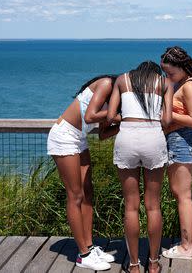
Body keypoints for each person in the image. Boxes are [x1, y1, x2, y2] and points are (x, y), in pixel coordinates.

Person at [47, 75, 119, 271]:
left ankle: (88, 246)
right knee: (75, 195)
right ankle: (83, 255)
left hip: (79, 138)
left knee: (88, 192)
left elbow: (104, 134)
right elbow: (89, 116)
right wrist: (119, 117)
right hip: (64, 136)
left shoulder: (116, 102)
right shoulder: (106, 84)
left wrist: (123, 122)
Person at [107, 61, 173, 273]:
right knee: (153, 205)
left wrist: (127, 118)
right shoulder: (164, 83)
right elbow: (167, 119)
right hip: (153, 136)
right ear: (155, 73)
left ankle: (134, 266)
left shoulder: (122, 80)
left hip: (127, 136)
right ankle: (153, 264)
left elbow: (109, 117)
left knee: (131, 206)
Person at [159, 46, 192, 260]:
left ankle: (185, 247)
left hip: (182, 142)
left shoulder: (189, 86)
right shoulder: (182, 83)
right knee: (186, 195)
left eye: (170, 72)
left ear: (182, 67)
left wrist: (168, 114)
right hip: (180, 141)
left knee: (182, 196)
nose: (167, 76)